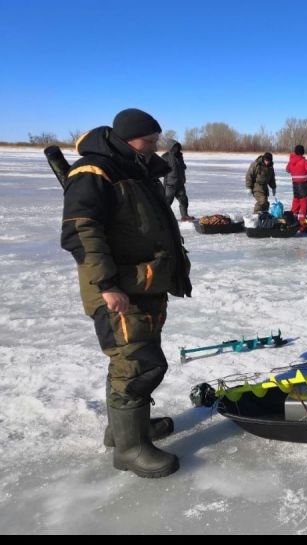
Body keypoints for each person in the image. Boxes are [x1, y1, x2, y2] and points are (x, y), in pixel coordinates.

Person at [61, 108, 192, 479]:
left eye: (156, 140)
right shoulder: (95, 171)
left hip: (146, 282)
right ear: (126, 137)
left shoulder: (136, 166)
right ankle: (130, 450)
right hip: (119, 288)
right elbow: (81, 233)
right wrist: (107, 285)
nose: (155, 147)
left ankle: (125, 430)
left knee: (129, 362)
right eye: (148, 141)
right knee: (139, 364)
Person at [162, 140, 193, 221]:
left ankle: (185, 216)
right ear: (170, 147)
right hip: (170, 184)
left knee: (184, 200)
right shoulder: (166, 156)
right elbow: (160, 168)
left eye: (177, 147)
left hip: (180, 183)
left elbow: (183, 166)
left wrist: (183, 167)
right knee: (167, 202)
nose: (176, 148)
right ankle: (164, 218)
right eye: (174, 147)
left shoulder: (180, 156)